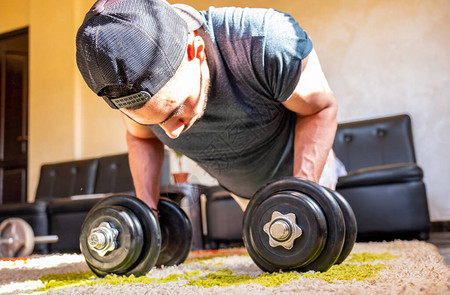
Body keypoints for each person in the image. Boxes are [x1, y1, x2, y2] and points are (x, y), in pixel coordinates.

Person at [76, 0, 338, 213]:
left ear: (195, 49)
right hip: (246, 197)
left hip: (310, 174)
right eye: (154, 121)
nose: (172, 133)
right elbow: (140, 138)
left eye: (175, 111)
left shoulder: (266, 43)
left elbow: (320, 109)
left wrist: (303, 196)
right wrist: (147, 210)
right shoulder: (125, 87)